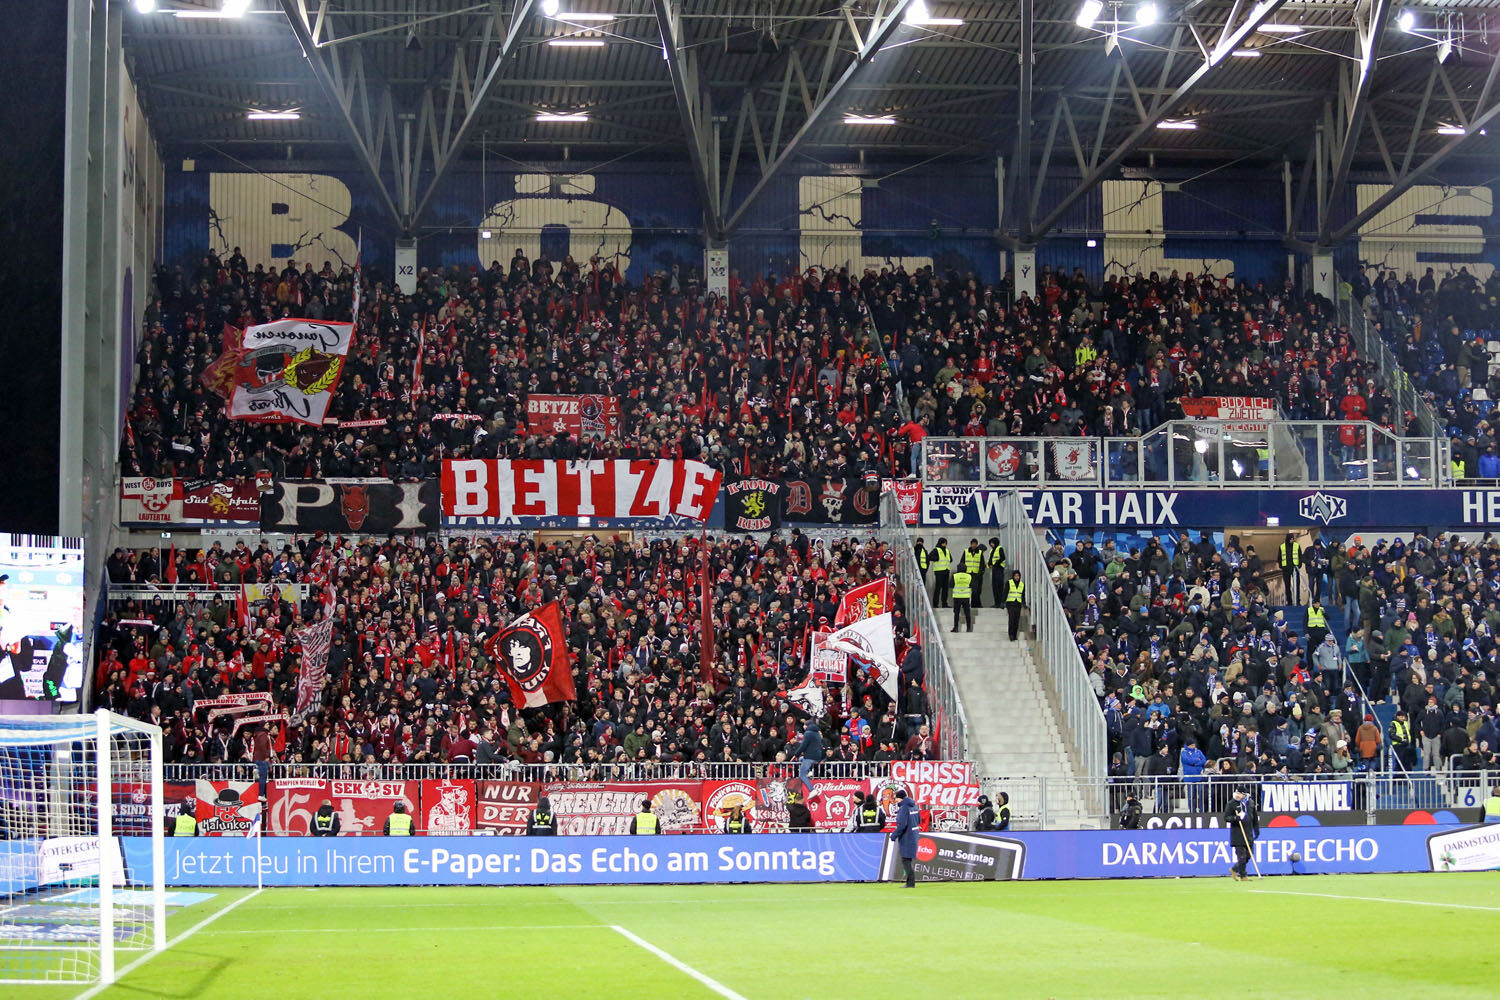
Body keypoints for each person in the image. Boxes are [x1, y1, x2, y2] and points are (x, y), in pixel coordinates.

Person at [1224, 788, 1259, 880]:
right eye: (1236, 793)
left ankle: (1234, 869)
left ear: (1244, 794)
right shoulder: (1231, 804)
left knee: (1249, 854)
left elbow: (1255, 818)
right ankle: (1243, 876)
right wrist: (1236, 818)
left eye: (1239, 793)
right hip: (1238, 833)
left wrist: (1256, 830)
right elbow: (1226, 817)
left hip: (1248, 833)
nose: (1237, 795)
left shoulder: (1250, 803)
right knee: (1242, 856)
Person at [890, 790, 919, 887]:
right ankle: (910, 882)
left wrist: (894, 835)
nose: (895, 800)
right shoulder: (914, 806)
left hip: (906, 836)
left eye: (896, 798)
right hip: (914, 834)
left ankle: (910, 882)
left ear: (900, 798)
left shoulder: (903, 808)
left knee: (905, 859)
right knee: (908, 859)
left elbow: (902, 825)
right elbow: (919, 820)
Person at [797, 720, 824, 798]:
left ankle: (812, 790)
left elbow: (803, 745)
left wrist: (796, 754)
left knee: (802, 775)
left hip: (809, 756)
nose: (803, 726)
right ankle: (809, 771)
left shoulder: (808, 733)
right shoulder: (817, 733)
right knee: (801, 759)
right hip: (817, 756)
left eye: (804, 725)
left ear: (807, 726)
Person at [1278, 532, 1302, 605]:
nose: (1292, 540)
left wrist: (1299, 565)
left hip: (1295, 568)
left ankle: (1297, 601)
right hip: (1286, 569)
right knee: (1287, 585)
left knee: (1297, 585)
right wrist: (1281, 566)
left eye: (1293, 539)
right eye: (1291, 539)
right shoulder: (1282, 546)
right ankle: (1289, 601)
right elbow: (1279, 557)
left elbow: (1300, 556)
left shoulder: (1297, 546)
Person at [951, 562, 973, 633]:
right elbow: (972, 585)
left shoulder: (955, 576)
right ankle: (968, 628)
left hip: (957, 597)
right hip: (966, 597)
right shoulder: (969, 576)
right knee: (967, 613)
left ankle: (956, 628)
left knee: (956, 613)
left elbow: (951, 585)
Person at [963, 539, 985, 607]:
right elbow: (962, 562)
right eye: (973, 544)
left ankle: (974, 604)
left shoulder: (980, 553)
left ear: (977, 545)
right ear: (971, 544)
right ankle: (965, 604)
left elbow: (982, 564)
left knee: (975, 590)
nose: (974, 545)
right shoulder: (966, 551)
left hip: (976, 574)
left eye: (975, 544)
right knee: (966, 589)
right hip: (967, 573)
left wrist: (980, 573)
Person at [1005, 570, 1026, 641]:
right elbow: (1005, 592)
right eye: (1015, 576)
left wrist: (1024, 603)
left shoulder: (1022, 584)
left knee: (1016, 620)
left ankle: (1014, 635)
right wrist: (1003, 602)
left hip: (1018, 604)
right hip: (1010, 603)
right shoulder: (1009, 583)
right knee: (1011, 619)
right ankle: (1011, 634)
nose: (1017, 577)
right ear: (1013, 576)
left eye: (1018, 576)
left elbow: (1022, 595)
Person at [931, 538, 952, 608]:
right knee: (938, 588)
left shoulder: (947, 550)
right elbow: (929, 557)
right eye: (943, 543)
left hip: (946, 571)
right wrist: (936, 558)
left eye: (945, 543)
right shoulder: (936, 550)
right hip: (939, 572)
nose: (944, 544)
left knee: (945, 588)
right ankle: (935, 604)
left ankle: (944, 603)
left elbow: (950, 559)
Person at [987, 539, 1007, 607]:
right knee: (994, 586)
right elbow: (990, 559)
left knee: (999, 586)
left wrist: (996, 564)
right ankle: (996, 603)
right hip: (994, 569)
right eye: (990, 543)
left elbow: (1003, 557)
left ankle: (1000, 603)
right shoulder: (991, 550)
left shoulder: (999, 548)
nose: (991, 544)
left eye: (992, 543)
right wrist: (989, 564)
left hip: (999, 569)